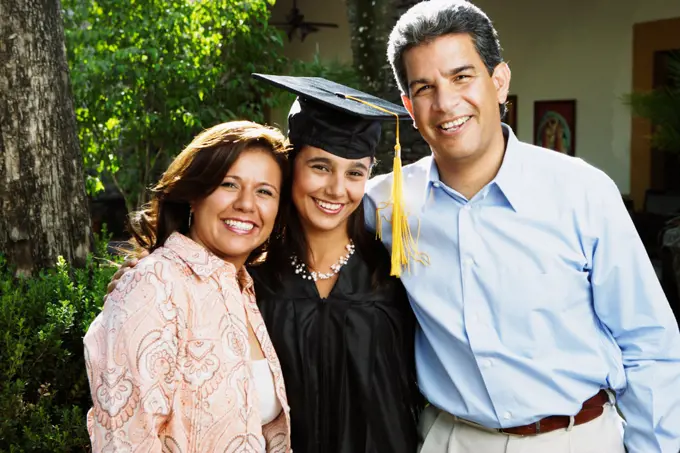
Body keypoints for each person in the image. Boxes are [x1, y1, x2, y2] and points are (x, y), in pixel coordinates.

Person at [363, 1, 680, 452]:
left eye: (461, 76)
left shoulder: (583, 193)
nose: (446, 102)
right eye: (425, 87)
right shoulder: (384, 203)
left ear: (499, 82)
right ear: (408, 107)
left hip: (575, 438)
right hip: (450, 440)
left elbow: (649, 345)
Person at [104, 77, 423, 453]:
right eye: (320, 167)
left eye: (355, 172)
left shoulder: (395, 273)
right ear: (291, 171)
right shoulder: (250, 280)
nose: (337, 189)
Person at [84, 121, 292, 452]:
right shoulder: (153, 286)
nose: (246, 204)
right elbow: (127, 440)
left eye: (264, 191)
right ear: (194, 195)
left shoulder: (245, 292)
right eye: (228, 184)